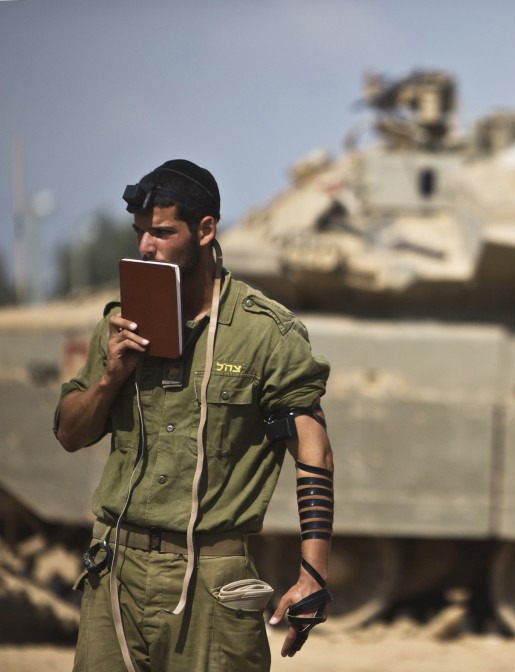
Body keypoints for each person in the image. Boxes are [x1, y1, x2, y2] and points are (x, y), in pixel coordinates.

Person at [53, 159, 334, 671]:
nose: (145, 247)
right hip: (115, 569)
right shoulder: (120, 324)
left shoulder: (265, 334)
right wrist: (111, 376)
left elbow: (313, 446)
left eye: (161, 232)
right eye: (140, 233)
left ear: (205, 230)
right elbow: (70, 433)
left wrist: (313, 575)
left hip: (211, 581)